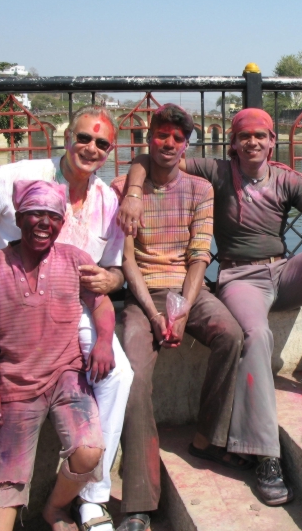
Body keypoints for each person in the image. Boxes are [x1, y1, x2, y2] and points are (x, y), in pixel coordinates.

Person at [119, 108, 302, 506]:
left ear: (272, 141)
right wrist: (131, 191)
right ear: (233, 142)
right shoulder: (215, 170)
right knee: (255, 335)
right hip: (240, 278)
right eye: (244, 136)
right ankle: (265, 453)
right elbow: (152, 158)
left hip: (282, 272)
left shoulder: (287, 179)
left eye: (261, 136)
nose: (252, 142)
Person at [0, 105, 132, 531]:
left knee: (119, 374)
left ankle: (90, 498)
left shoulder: (106, 199)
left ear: (110, 152)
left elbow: (117, 270)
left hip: (72, 310)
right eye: (84, 137)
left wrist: (110, 278)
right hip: (8, 315)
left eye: (101, 143)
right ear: (67, 139)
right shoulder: (21, 176)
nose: (91, 148)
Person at [111, 105, 244, 531]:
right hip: (141, 294)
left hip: (188, 290)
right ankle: (139, 501)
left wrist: (182, 310)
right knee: (132, 374)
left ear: (186, 145)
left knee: (230, 334)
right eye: (161, 136)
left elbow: (199, 255)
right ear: (148, 139)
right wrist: (153, 314)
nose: (168, 144)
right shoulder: (124, 190)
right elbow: (127, 261)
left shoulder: (200, 189)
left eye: (176, 139)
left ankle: (207, 438)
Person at [0, 180, 113, 531]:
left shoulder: (75, 260)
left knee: (89, 451)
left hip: (68, 378)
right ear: (18, 218)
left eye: (52, 215)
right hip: (16, 384)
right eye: (34, 214)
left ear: (63, 222)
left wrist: (105, 340)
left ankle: (54, 508)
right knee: (7, 481)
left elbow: (101, 303)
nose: (44, 222)